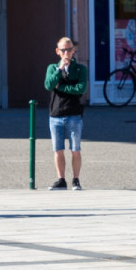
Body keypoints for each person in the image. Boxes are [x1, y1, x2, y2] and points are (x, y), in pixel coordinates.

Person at [43, 37, 88, 191]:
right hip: (55, 115)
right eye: (63, 50)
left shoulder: (80, 69)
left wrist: (60, 87)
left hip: (74, 114)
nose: (66, 52)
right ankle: (61, 180)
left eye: (69, 49)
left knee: (75, 149)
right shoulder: (52, 68)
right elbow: (49, 85)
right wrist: (59, 70)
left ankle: (76, 179)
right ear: (58, 51)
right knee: (58, 149)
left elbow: (80, 89)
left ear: (73, 50)